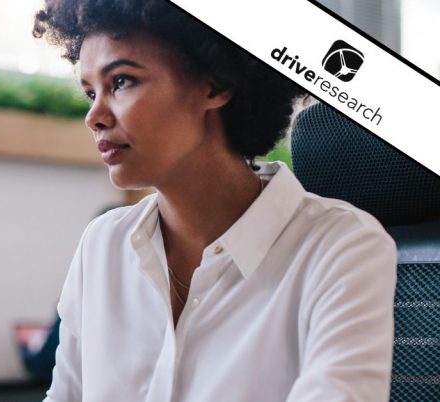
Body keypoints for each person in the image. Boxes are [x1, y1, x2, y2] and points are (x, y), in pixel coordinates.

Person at [32, 1, 398, 401]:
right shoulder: (101, 246)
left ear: (215, 84)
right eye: (90, 92)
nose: (94, 116)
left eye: (120, 82)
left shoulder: (342, 249)